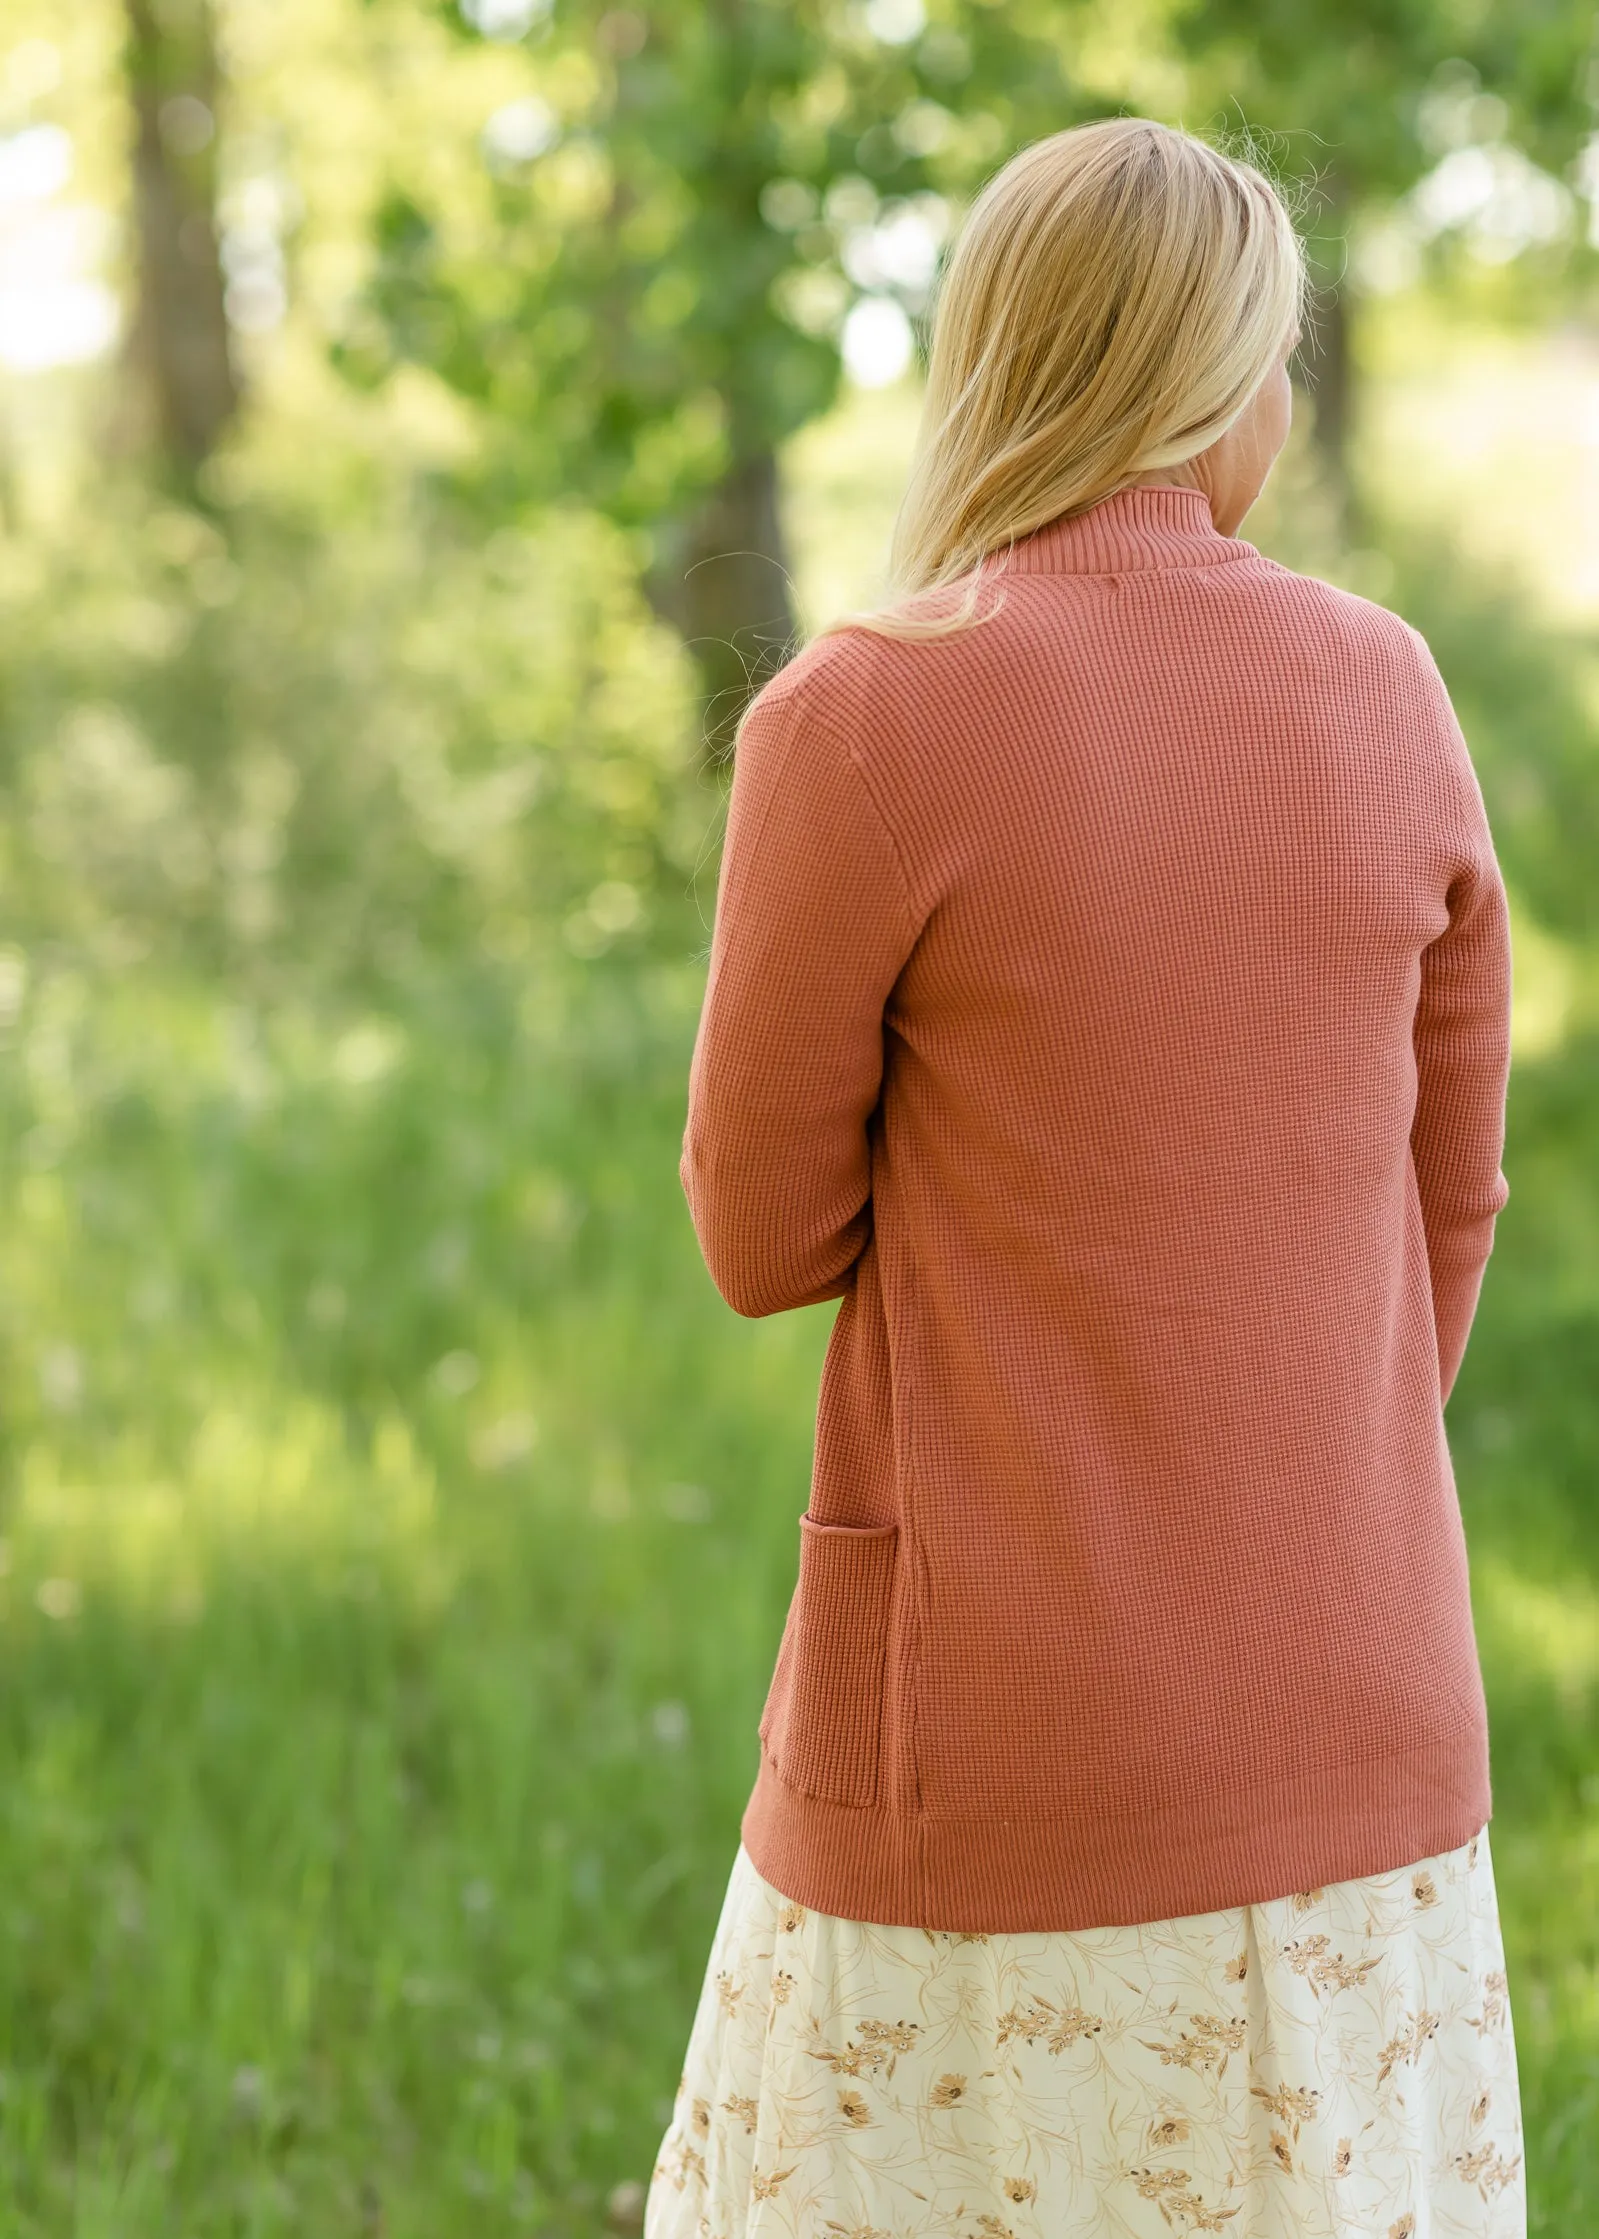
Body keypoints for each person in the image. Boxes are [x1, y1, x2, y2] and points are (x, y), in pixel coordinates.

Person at [646, 115, 1522, 2239]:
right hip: (1361, 1736)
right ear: (1228, 384)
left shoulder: (861, 714)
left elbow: (761, 1242)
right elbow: (1446, 1211)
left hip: (1009, 1768)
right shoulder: (1386, 684)